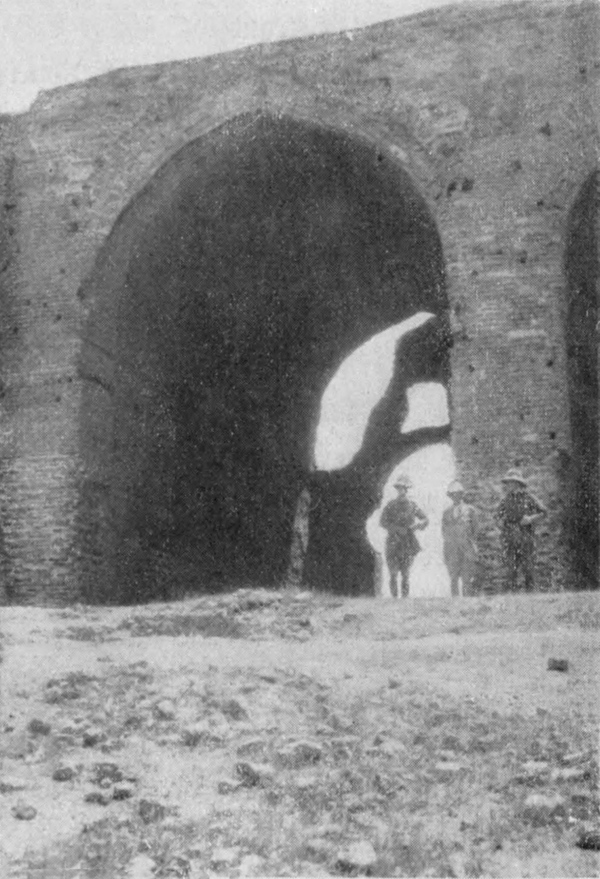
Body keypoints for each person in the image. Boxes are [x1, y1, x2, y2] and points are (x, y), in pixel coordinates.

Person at [495, 468, 547, 592]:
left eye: (511, 482)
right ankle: (513, 597)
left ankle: (531, 596)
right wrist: (500, 523)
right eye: (507, 482)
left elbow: (544, 512)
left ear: (517, 483)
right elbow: (497, 517)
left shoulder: (529, 498)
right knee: (511, 568)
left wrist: (530, 519)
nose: (508, 485)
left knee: (528, 567)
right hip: (509, 537)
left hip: (526, 536)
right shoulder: (506, 500)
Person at [380, 474, 428, 598]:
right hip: (393, 542)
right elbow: (382, 522)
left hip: (407, 543)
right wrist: (396, 529)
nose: (400, 490)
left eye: (402, 488)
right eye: (398, 488)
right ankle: (394, 599)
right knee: (393, 574)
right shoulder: (390, 505)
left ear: (406, 489)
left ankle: (404, 600)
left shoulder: (412, 505)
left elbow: (425, 519)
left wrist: (416, 526)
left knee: (405, 574)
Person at [442, 480, 479, 597]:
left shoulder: (470, 510)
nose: (455, 497)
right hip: (452, 549)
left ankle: (466, 604)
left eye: (457, 494)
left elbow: (475, 529)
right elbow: (444, 531)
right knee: (453, 578)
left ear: (462, 495)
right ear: (450, 496)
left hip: (467, 548)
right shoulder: (446, 512)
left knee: (467, 578)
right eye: (452, 494)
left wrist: (471, 543)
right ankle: (455, 604)